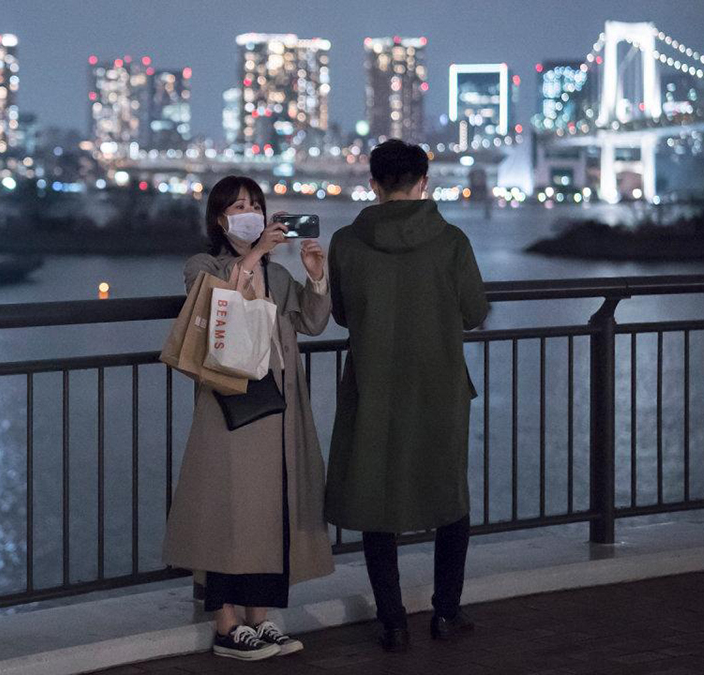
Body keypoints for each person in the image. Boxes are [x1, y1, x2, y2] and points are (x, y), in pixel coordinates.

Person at [324, 139, 490, 652]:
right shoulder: (452, 241)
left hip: (374, 384)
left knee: (376, 500)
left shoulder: (346, 243)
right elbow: (474, 311)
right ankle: (446, 611)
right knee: (449, 496)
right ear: (424, 182)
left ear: (373, 184)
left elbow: (343, 314)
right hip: (438, 387)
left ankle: (393, 620)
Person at [162, 175, 333, 661]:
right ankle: (225, 624)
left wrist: (317, 275)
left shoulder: (278, 277)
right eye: (239, 205)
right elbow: (214, 299)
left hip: (278, 404)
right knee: (224, 510)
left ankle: (260, 618)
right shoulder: (204, 264)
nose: (250, 211)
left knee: (270, 509)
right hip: (229, 401)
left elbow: (313, 321)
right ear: (220, 218)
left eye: (256, 204)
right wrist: (255, 253)